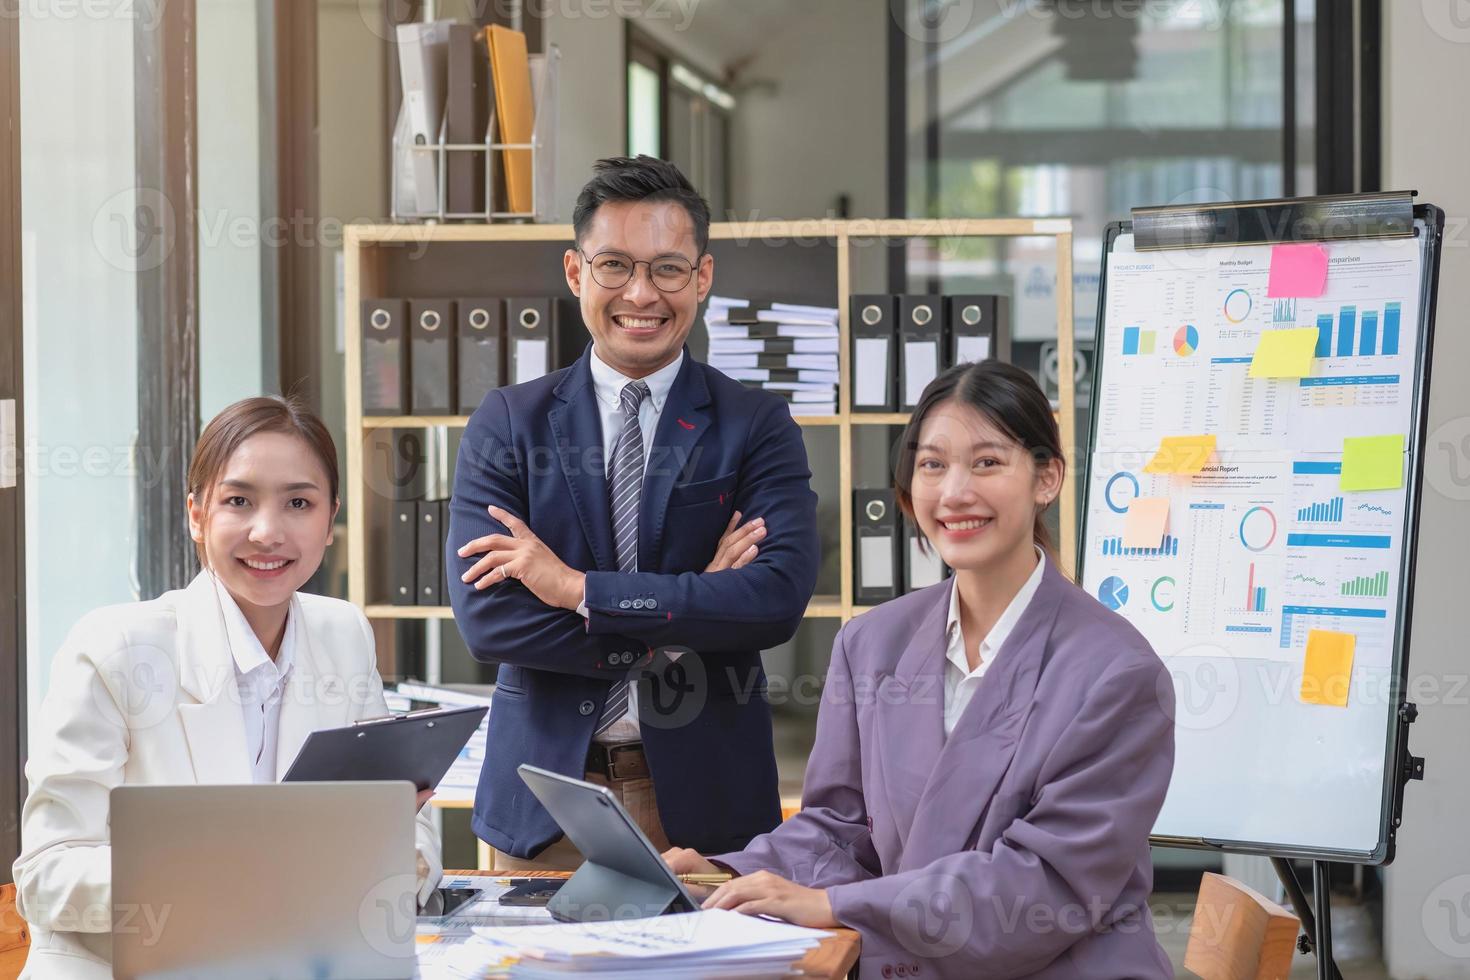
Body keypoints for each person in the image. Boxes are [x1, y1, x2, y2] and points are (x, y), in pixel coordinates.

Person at [665, 360, 1176, 979]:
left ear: (1047, 478)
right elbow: (841, 827)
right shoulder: (873, 643)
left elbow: (1043, 887)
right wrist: (728, 872)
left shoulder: (1117, 673)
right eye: (932, 465)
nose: (955, 492)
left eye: (987, 462)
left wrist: (833, 905)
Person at [447, 155, 819, 869]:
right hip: (545, 803)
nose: (641, 293)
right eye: (614, 265)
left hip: (702, 812)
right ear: (575, 272)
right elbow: (488, 621)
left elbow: (773, 602)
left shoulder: (755, 425)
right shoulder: (509, 424)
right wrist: (686, 614)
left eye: (668, 269)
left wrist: (577, 590)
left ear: (702, 277)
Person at [12, 396, 442, 979]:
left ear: (331, 516)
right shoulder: (115, 649)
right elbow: (46, 876)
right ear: (196, 514)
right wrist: (237, 870)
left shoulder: (342, 633)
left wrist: (379, 840)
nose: (268, 533)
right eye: (238, 501)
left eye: (299, 503)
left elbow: (409, 822)